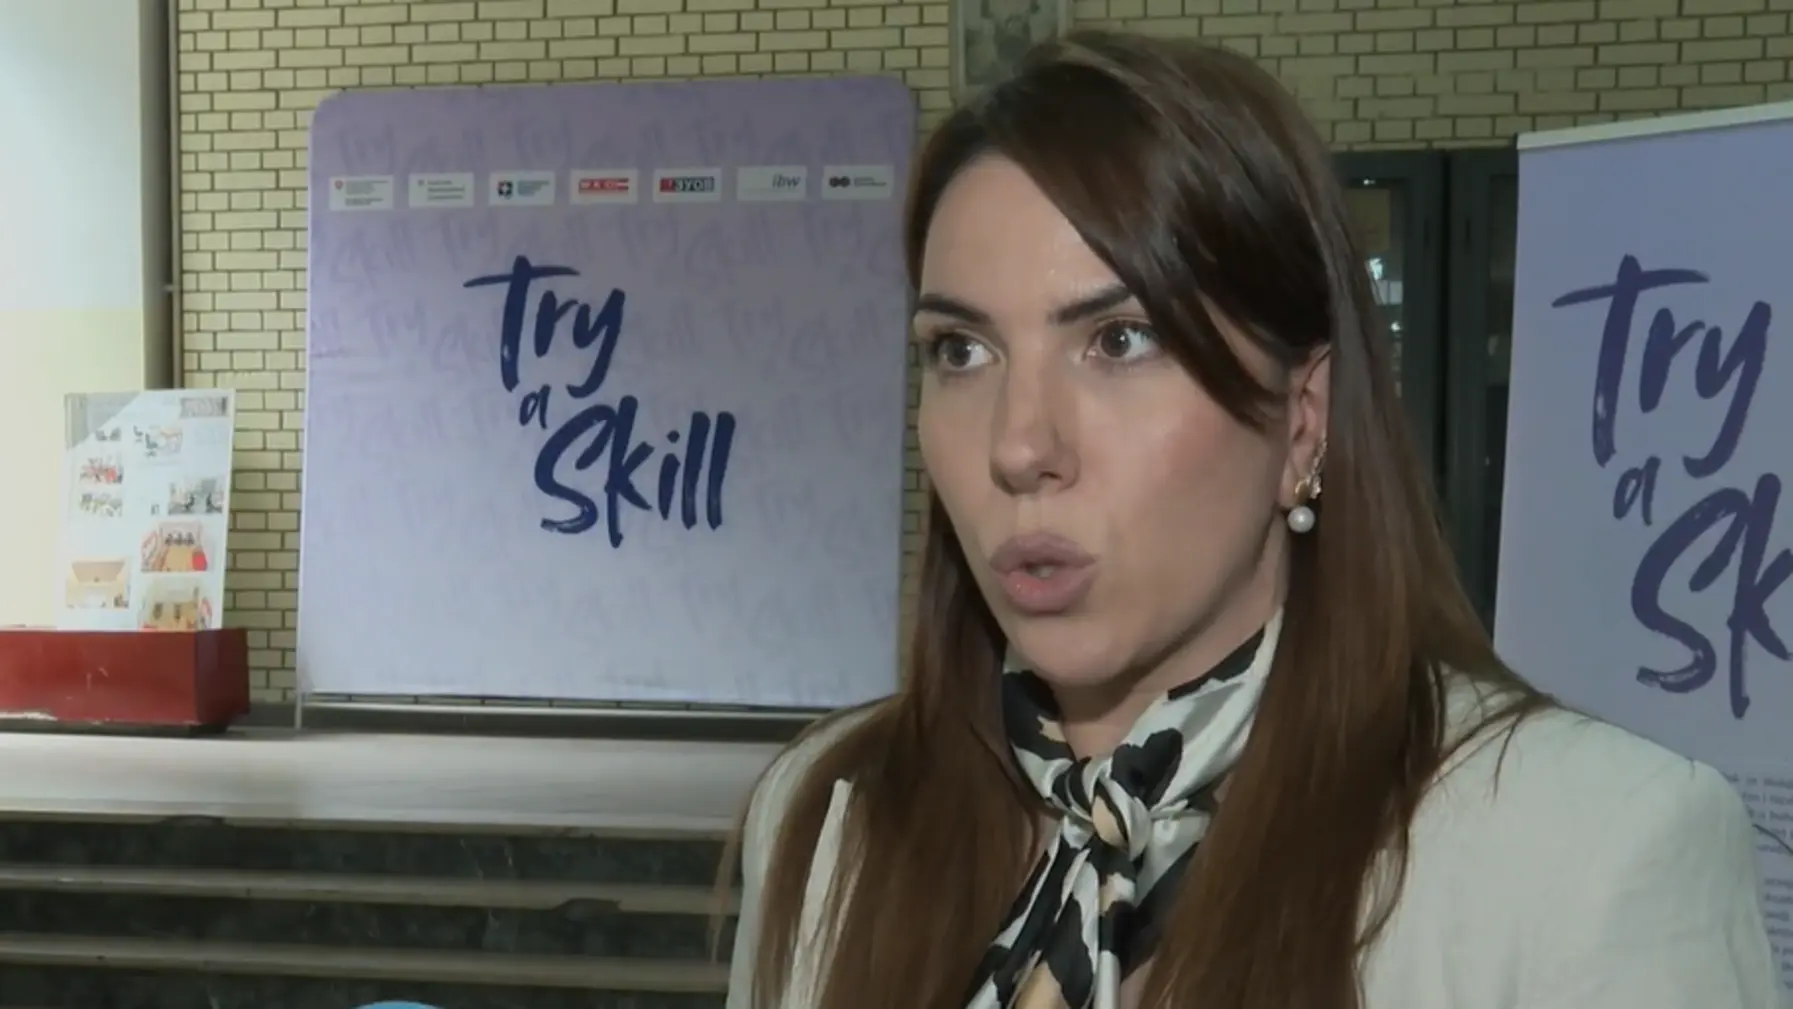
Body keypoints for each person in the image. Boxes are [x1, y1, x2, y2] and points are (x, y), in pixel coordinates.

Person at [723, 30, 1784, 1009]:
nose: (1016, 445)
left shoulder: (1583, 856)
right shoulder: (831, 815)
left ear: (1301, 419)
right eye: (961, 351)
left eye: (1119, 340)